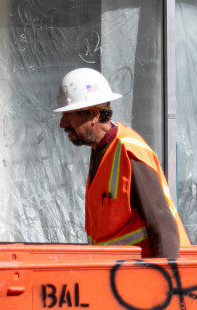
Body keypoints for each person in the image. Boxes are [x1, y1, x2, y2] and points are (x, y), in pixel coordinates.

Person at [55, 67, 189, 258]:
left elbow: (161, 223)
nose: (63, 124)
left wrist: (167, 282)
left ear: (93, 114)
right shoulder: (101, 151)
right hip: (119, 277)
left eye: (69, 114)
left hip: (146, 278)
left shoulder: (128, 150)